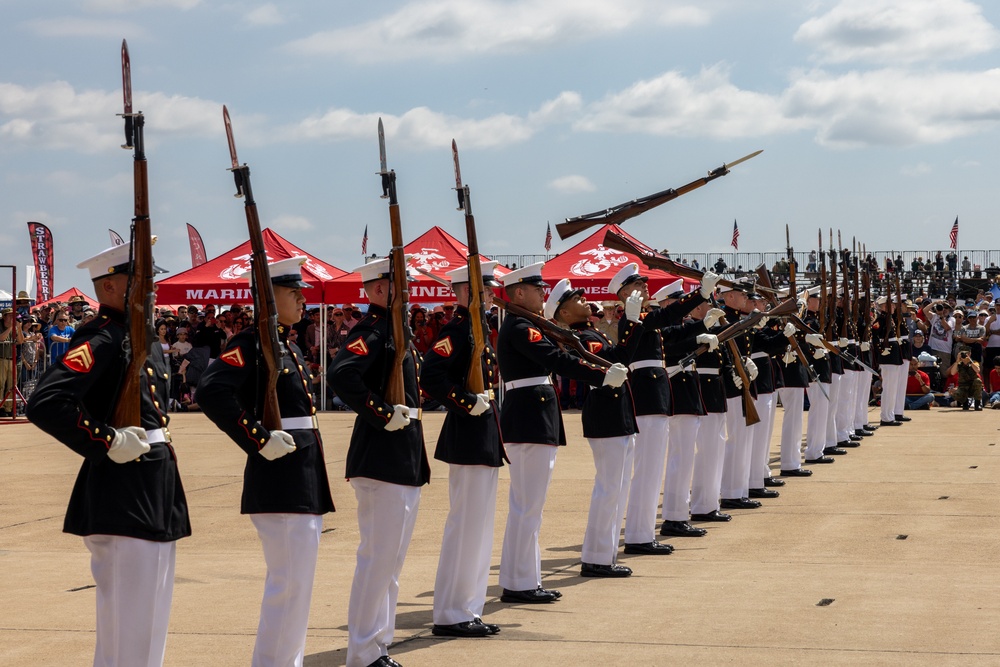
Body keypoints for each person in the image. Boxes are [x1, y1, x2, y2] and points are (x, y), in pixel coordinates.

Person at [26, 241, 191, 667]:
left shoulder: (144, 338)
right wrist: (107, 440)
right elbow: (47, 402)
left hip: (151, 482)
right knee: (131, 620)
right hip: (123, 487)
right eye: (144, 282)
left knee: (147, 618)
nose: (153, 290)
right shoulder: (103, 336)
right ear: (114, 287)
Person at [197, 257, 335, 666]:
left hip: (299, 472)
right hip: (281, 475)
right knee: (288, 584)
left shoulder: (284, 343)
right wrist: (257, 439)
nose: (302, 298)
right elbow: (211, 391)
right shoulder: (252, 342)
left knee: (298, 585)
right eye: (293, 292)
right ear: (269, 298)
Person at [495, 262, 626, 603]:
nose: (543, 294)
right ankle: (520, 583)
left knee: (528, 505)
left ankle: (520, 578)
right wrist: (600, 376)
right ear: (519, 293)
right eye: (537, 289)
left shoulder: (526, 324)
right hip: (529, 419)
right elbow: (555, 359)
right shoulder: (521, 326)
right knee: (528, 506)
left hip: (533, 418)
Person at [328, 257, 431, 667]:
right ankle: (364, 653)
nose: (406, 289)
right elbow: (342, 374)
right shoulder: (372, 331)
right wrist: (382, 413)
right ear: (376, 290)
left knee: (391, 561)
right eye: (397, 283)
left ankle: (378, 646)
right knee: (378, 558)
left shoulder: (395, 329)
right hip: (381, 456)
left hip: (402, 456)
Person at [421, 260, 506, 637]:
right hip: (468, 433)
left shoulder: (479, 329)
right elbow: (432, 375)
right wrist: (465, 401)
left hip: (483, 434)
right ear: (462, 294)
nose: (488, 295)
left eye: (488, 290)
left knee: (480, 526)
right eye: (481, 290)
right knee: (466, 525)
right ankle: (451, 611)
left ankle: (467, 607)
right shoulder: (457, 331)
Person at [547, 278, 645, 577]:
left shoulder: (589, 332)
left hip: (615, 415)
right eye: (576, 299)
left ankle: (605, 554)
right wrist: (630, 321)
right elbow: (619, 360)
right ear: (564, 313)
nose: (584, 300)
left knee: (617, 487)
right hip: (606, 416)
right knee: (609, 488)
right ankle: (597, 558)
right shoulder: (582, 336)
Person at [1, 307, 26, 415]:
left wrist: (19, 329)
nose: (13, 317)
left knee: (12, 385)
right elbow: (1, 338)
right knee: (0, 384)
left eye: (14, 315)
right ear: (4, 316)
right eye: (10, 315)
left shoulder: (14, 327)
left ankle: (9, 408)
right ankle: (0, 407)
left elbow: (20, 341)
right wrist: (11, 327)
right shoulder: (1, 326)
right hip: (1, 359)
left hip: (12, 359)